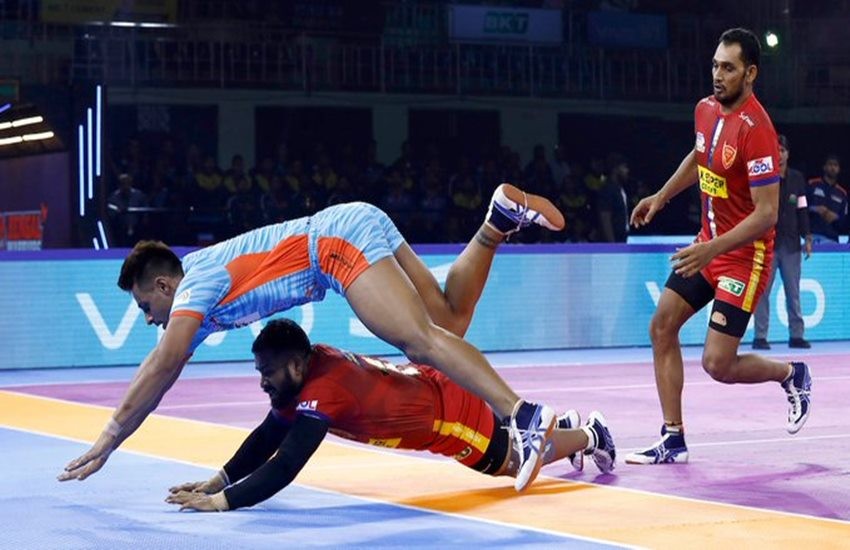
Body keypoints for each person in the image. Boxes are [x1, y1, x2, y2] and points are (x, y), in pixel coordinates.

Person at [59, 184, 566, 492]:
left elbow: (161, 366)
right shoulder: (196, 292)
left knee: (419, 341)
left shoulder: (194, 285)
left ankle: (522, 415)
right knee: (448, 324)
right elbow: (160, 375)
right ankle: (497, 222)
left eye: (146, 307)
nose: (150, 320)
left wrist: (107, 439)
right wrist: (117, 441)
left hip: (333, 244)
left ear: (164, 286)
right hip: (351, 223)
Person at [164, 319, 616, 512]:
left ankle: (591, 434)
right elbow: (268, 435)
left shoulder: (322, 392)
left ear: (296, 366)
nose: (263, 382)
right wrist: (218, 480)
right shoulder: (307, 367)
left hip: (447, 417)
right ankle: (566, 427)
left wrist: (222, 503)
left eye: (268, 372)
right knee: (512, 449)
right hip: (431, 390)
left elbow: (285, 464)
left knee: (511, 462)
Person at [627, 28, 812, 465]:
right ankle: (673, 437)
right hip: (707, 247)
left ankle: (792, 374)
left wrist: (712, 251)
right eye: (714, 65)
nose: (717, 75)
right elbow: (699, 157)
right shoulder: (705, 110)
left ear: (750, 73)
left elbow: (767, 214)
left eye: (728, 68)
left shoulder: (759, 131)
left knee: (717, 365)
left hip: (746, 258)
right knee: (661, 327)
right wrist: (661, 196)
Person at [752, 135, 813, 350]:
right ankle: (760, 336)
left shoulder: (797, 178)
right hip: (766, 244)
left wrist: (807, 237)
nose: (779, 154)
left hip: (791, 244)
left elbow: (802, 209)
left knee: (793, 293)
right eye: (775, 150)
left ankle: (796, 335)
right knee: (762, 293)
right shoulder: (763, 177)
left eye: (782, 150)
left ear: (788, 153)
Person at [806, 154, 846, 244]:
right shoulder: (812, 184)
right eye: (830, 164)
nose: (833, 168)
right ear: (824, 167)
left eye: (835, 165)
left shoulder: (842, 193)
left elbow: (844, 222)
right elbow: (801, 207)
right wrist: (815, 209)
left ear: (839, 169)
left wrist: (836, 218)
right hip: (813, 236)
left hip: (832, 238)